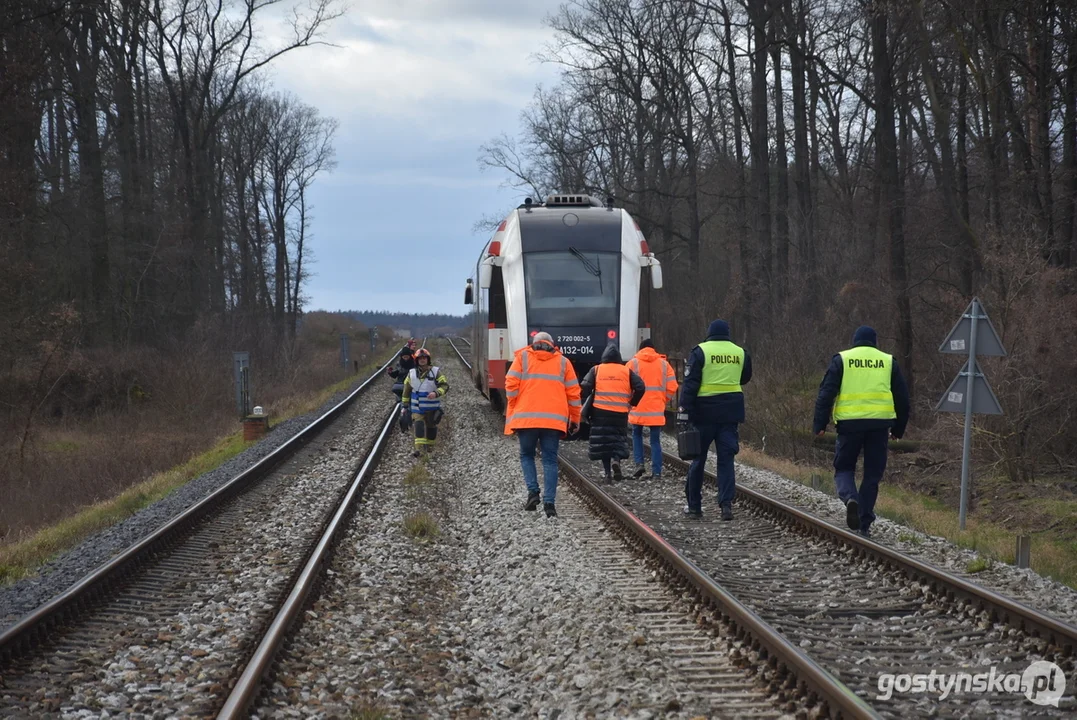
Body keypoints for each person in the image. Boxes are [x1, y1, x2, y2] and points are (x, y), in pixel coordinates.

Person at [812, 325, 910, 538]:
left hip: (849, 426)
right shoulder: (887, 361)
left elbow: (825, 394)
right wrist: (898, 429)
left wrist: (820, 424)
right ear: (875, 342)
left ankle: (850, 499)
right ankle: (864, 522)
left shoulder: (842, 359)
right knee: (872, 474)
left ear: (854, 341)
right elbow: (903, 399)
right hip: (879, 426)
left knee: (844, 467)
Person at [504, 332, 582, 518]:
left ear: (534, 343)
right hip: (553, 421)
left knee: (526, 455)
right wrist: (575, 418)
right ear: (552, 344)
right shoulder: (564, 362)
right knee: (549, 459)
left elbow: (510, 385)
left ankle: (533, 492)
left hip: (527, 418)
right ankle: (549, 504)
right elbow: (574, 394)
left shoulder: (522, 358)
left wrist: (516, 405)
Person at [681, 319, 752, 520]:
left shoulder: (700, 352)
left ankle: (694, 507)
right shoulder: (740, 352)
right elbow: (745, 377)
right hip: (730, 416)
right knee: (726, 460)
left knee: (698, 459)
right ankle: (726, 506)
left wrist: (684, 410)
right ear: (728, 334)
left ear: (709, 333)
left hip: (704, 415)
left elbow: (690, 384)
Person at [581, 344, 646, 483]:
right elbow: (640, 387)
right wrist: (632, 402)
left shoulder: (596, 369)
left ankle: (607, 474)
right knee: (618, 440)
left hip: (600, 411)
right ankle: (616, 461)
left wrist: (591, 396)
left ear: (604, 357)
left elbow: (585, 385)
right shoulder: (626, 371)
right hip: (620, 412)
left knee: (604, 442)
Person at [628, 339, 679, 479]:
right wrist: (663, 399)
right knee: (655, 441)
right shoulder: (664, 364)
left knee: (636, 435)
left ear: (640, 349)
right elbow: (672, 386)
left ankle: (639, 464)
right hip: (656, 409)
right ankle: (656, 472)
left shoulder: (633, 363)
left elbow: (626, 385)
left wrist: (630, 401)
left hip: (638, 407)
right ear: (654, 349)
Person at [401, 348, 448, 457]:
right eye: (420, 358)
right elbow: (406, 390)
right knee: (418, 425)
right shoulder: (411, 373)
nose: (422, 360)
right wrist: (405, 405)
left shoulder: (436, 372)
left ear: (428, 359)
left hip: (432, 407)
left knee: (431, 427)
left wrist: (436, 393)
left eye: (424, 358)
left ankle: (430, 448)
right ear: (416, 360)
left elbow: (444, 385)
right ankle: (418, 450)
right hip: (417, 407)